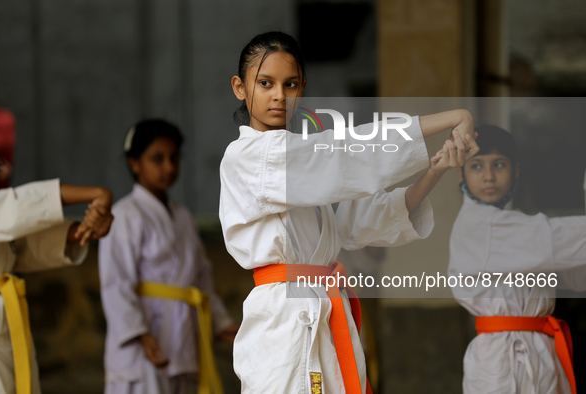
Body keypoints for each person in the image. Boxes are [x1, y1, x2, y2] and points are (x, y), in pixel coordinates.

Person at [220, 31, 479, 394]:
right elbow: (346, 154)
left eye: (290, 84)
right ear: (240, 87)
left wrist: (434, 169)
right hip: (283, 320)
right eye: (265, 83)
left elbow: (359, 221)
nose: (279, 94)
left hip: (322, 307)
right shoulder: (249, 157)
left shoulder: (307, 167)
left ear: (303, 89)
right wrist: (451, 117)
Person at [99, 119, 236, 394]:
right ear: (134, 163)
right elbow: (116, 281)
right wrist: (138, 332)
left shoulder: (183, 216)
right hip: (144, 339)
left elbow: (202, 278)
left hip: (183, 333)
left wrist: (222, 323)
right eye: (157, 159)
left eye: (174, 158)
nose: (169, 167)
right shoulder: (125, 214)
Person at [448, 125, 585, 394]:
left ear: (516, 171)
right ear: (460, 174)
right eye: (477, 166)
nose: (488, 176)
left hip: (536, 347)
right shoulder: (481, 226)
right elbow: (553, 241)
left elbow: (569, 271)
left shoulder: (513, 224)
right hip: (502, 360)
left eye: (499, 165)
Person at [0, 175, 114, 394]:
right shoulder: (3, 210)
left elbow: (23, 246)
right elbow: (16, 207)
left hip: (7, 322)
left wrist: (85, 230)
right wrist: (97, 194)